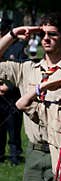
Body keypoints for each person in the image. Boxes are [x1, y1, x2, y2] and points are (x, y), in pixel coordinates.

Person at [0, 12, 61, 181]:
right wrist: (13, 34)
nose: (46, 39)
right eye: (43, 34)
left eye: (53, 34)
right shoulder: (27, 69)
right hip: (34, 153)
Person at [0, 17, 25, 165]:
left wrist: (8, 86)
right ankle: (1, 154)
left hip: (12, 95)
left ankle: (15, 155)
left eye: (3, 30)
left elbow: (21, 69)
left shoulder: (18, 47)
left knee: (14, 127)